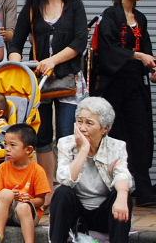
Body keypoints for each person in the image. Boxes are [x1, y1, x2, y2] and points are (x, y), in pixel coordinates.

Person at [9, 0, 87, 197]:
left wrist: (53, 60)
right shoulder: (32, 7)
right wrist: (17, 64)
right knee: (41, 136)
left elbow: (80, 41)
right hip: (39, 82)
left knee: (66, 134)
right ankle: (48, 192)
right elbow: (16, 43)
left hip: (68, 79)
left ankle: (66, 190)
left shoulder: (74, 5)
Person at [95, 0, 156, 206]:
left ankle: (143, 189)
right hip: (113, 87)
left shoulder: (140, 18)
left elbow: (147, 50)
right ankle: (116, 189)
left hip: (136, 86)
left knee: (141, 136)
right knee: (116, 136)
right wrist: (137, 56)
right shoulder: (110, 16)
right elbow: (108, 51)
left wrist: (152, 68)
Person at [49, 97, 134, 243]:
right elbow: (65, 179)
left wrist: (121, 196)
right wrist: (83, 150)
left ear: (105, 129)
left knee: (123, 195)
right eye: (79, 121)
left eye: (89, 123)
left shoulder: (116, 146)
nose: (82, 128)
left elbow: (122, 174)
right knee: (61, 192)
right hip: (77, 216)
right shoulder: (66, 143)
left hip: (104, 215)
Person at [0, 123, 51, 243]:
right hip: (4, 212)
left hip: (26, 214)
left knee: (23, 207)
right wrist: (10, 195)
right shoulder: (2, 168)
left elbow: (41, 200)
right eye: (5, 144)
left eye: (12, 145)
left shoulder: (37, 170)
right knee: (5, 193)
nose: (7, 148)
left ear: (28, 150)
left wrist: (29, 200)